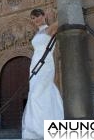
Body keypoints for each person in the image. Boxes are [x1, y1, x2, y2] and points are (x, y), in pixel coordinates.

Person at [22, 8, 64, 139]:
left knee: (39, 92)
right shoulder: (38, 32)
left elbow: (62, 21)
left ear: (43, 15)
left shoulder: (49, 29)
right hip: (34, 63)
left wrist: (51, 16)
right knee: (35, 93)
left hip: (45, 64)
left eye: (37, 16)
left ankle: (44, 129)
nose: (35, 20)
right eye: (33, 18)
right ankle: (36, 127)